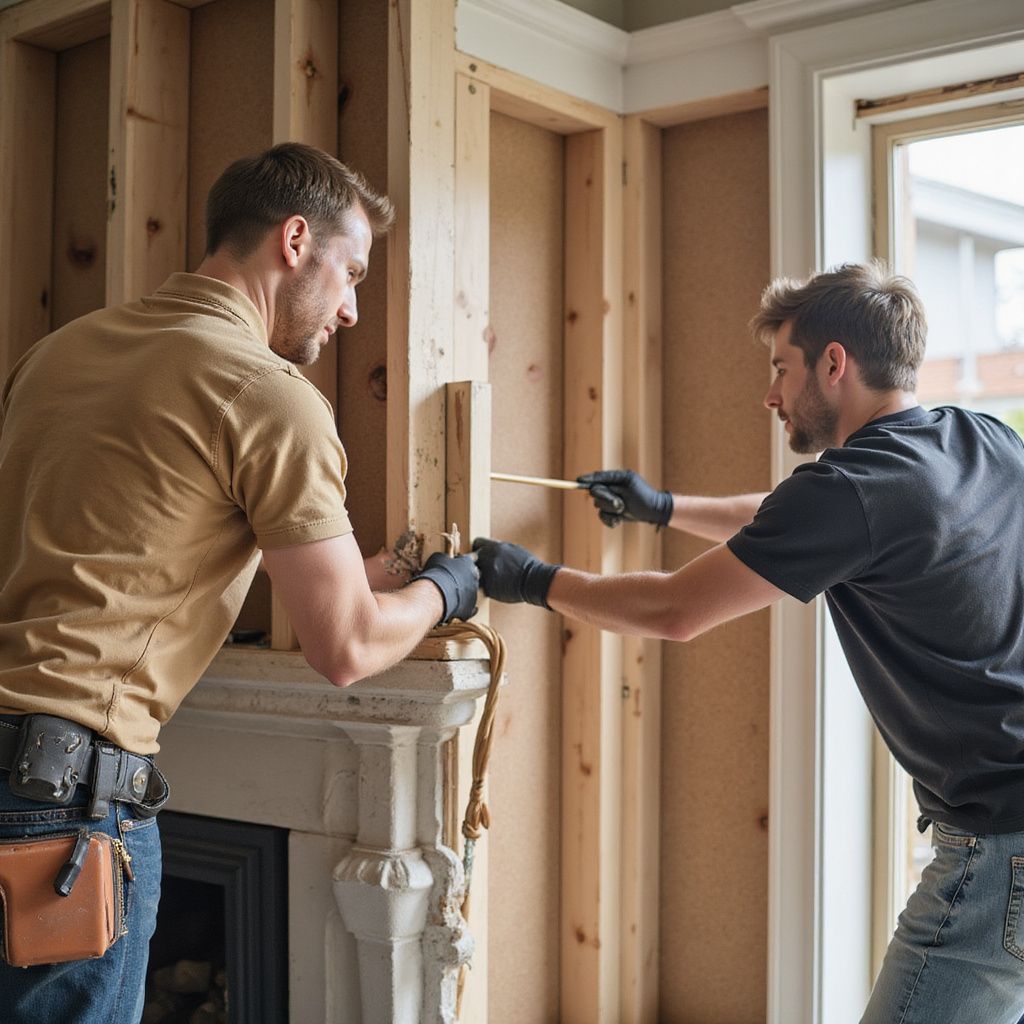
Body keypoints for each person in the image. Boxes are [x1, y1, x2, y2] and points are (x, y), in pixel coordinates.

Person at [0, 143, 478, 1022]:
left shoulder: (57, 357)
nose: (353, 308)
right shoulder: (269, 393)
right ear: (296, 240)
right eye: (352, 272)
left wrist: (373, 574)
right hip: (63, 811)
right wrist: (449, 590)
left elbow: (149, 545)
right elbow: (346, 649)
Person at [475, 261, 1024, 1023]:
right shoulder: (981, 439)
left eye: (781, 367)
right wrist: (661, 508)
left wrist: (531, 579)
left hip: (1002, 848)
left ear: (835, 363)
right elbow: (784, 518)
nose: (770, 394)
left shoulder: (851, 489)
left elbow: (675, 609)